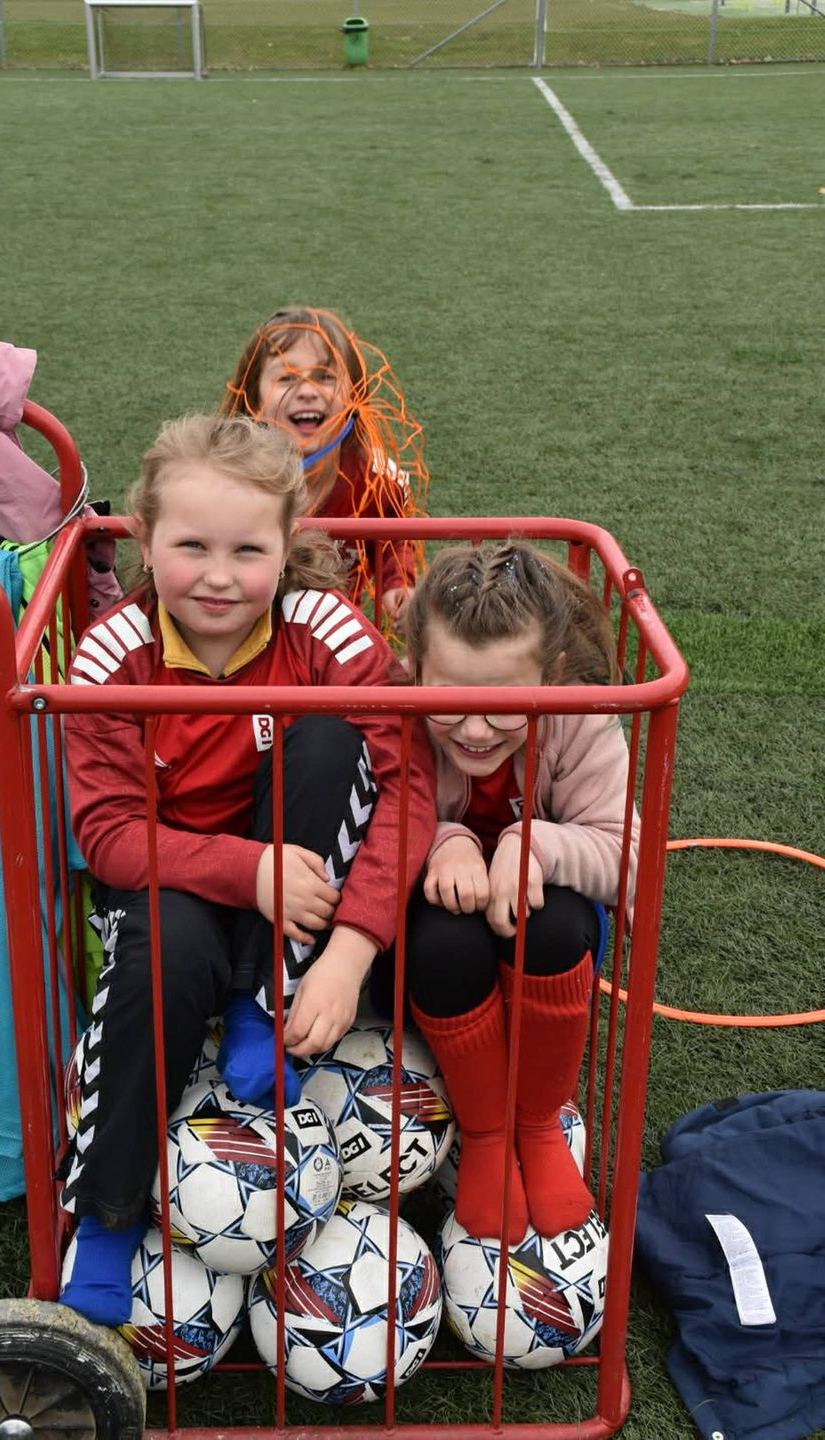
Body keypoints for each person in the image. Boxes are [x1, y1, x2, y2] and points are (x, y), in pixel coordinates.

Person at [59, 413, 435, 1326]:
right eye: (191, 546)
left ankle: (261, 1005)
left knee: (330, 745)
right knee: (163, 949)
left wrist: (352, 950)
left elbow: (408, 785)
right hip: (178, 879)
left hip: (296, 891)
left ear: (289, 540)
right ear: (146, 537)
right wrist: (246, 868)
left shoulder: (325, 629)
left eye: (248, 550)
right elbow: (109, 832)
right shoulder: (112, 654)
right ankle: (106, 1215)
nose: (219, 576)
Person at [402, 540, 639, 1245]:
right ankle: (484, 1135)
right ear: (415, 669)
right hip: (438, 931)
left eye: (506, 703)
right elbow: (368, 837)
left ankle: (536, 1124)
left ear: (552, 674)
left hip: (543, 925)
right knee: (444, 939)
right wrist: (443, 842)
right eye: (451, 701)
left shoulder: (578, 717)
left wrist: (532, 844)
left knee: (555, 924)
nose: (476, 729)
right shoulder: (396, 709)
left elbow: (628, 859)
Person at [220, 306, 428, 625]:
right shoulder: (223, 476)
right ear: (253, 399)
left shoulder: (374, 479)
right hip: (244, 630)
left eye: (325, 377)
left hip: (332, 632)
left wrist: (397, 583)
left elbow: (394, 535)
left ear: (354, 395)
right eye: (286, 378)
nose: (307, 391)